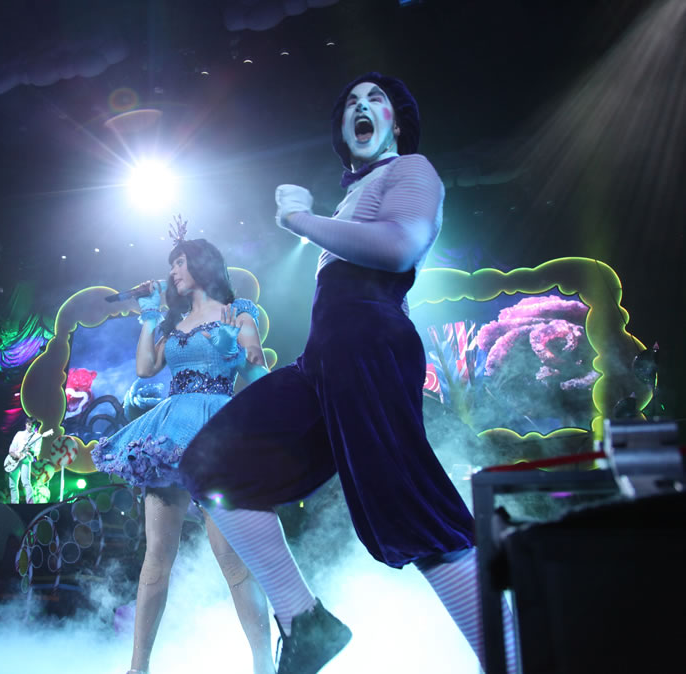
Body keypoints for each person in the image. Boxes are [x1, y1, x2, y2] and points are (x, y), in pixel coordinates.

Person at [179, 73, 518, 674]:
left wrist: (301, 220)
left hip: (368, 343)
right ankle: (305, 624)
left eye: (375, 99)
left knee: (409, 508)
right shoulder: (352, 196)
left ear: (397, 122)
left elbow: (400, 247)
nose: (361, 106)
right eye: (351, 103)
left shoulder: (412, 169)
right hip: (325, 358)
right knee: (210, 466)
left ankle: (517, 658)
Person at [91, 221, 275, 674]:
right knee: (157, 556)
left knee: (230, 557)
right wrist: (150, 313)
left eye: (179, 262)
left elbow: (258, 371)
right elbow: (145, 367)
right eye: (171, 264)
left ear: (202, 264)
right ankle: (138, 668)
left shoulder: (237, 312)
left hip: (217, 435)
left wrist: (241, 350)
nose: (173, 271)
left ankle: (264, 666)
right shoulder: (172, 321)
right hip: (169, 435)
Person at [4, 417, 53, 504]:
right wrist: (14, 455)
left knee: (26, 482)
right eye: (29, 424)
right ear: (26, 424)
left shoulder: (37, 436)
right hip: (15, 460)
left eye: (32, 425)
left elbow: (37, 451)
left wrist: (31, 450)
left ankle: (30, 502)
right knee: (12, 483)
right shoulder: (19, 434)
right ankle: (14, 503)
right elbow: (12, 448)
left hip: (26, 460)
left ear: (35, 426)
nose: (30, 427)